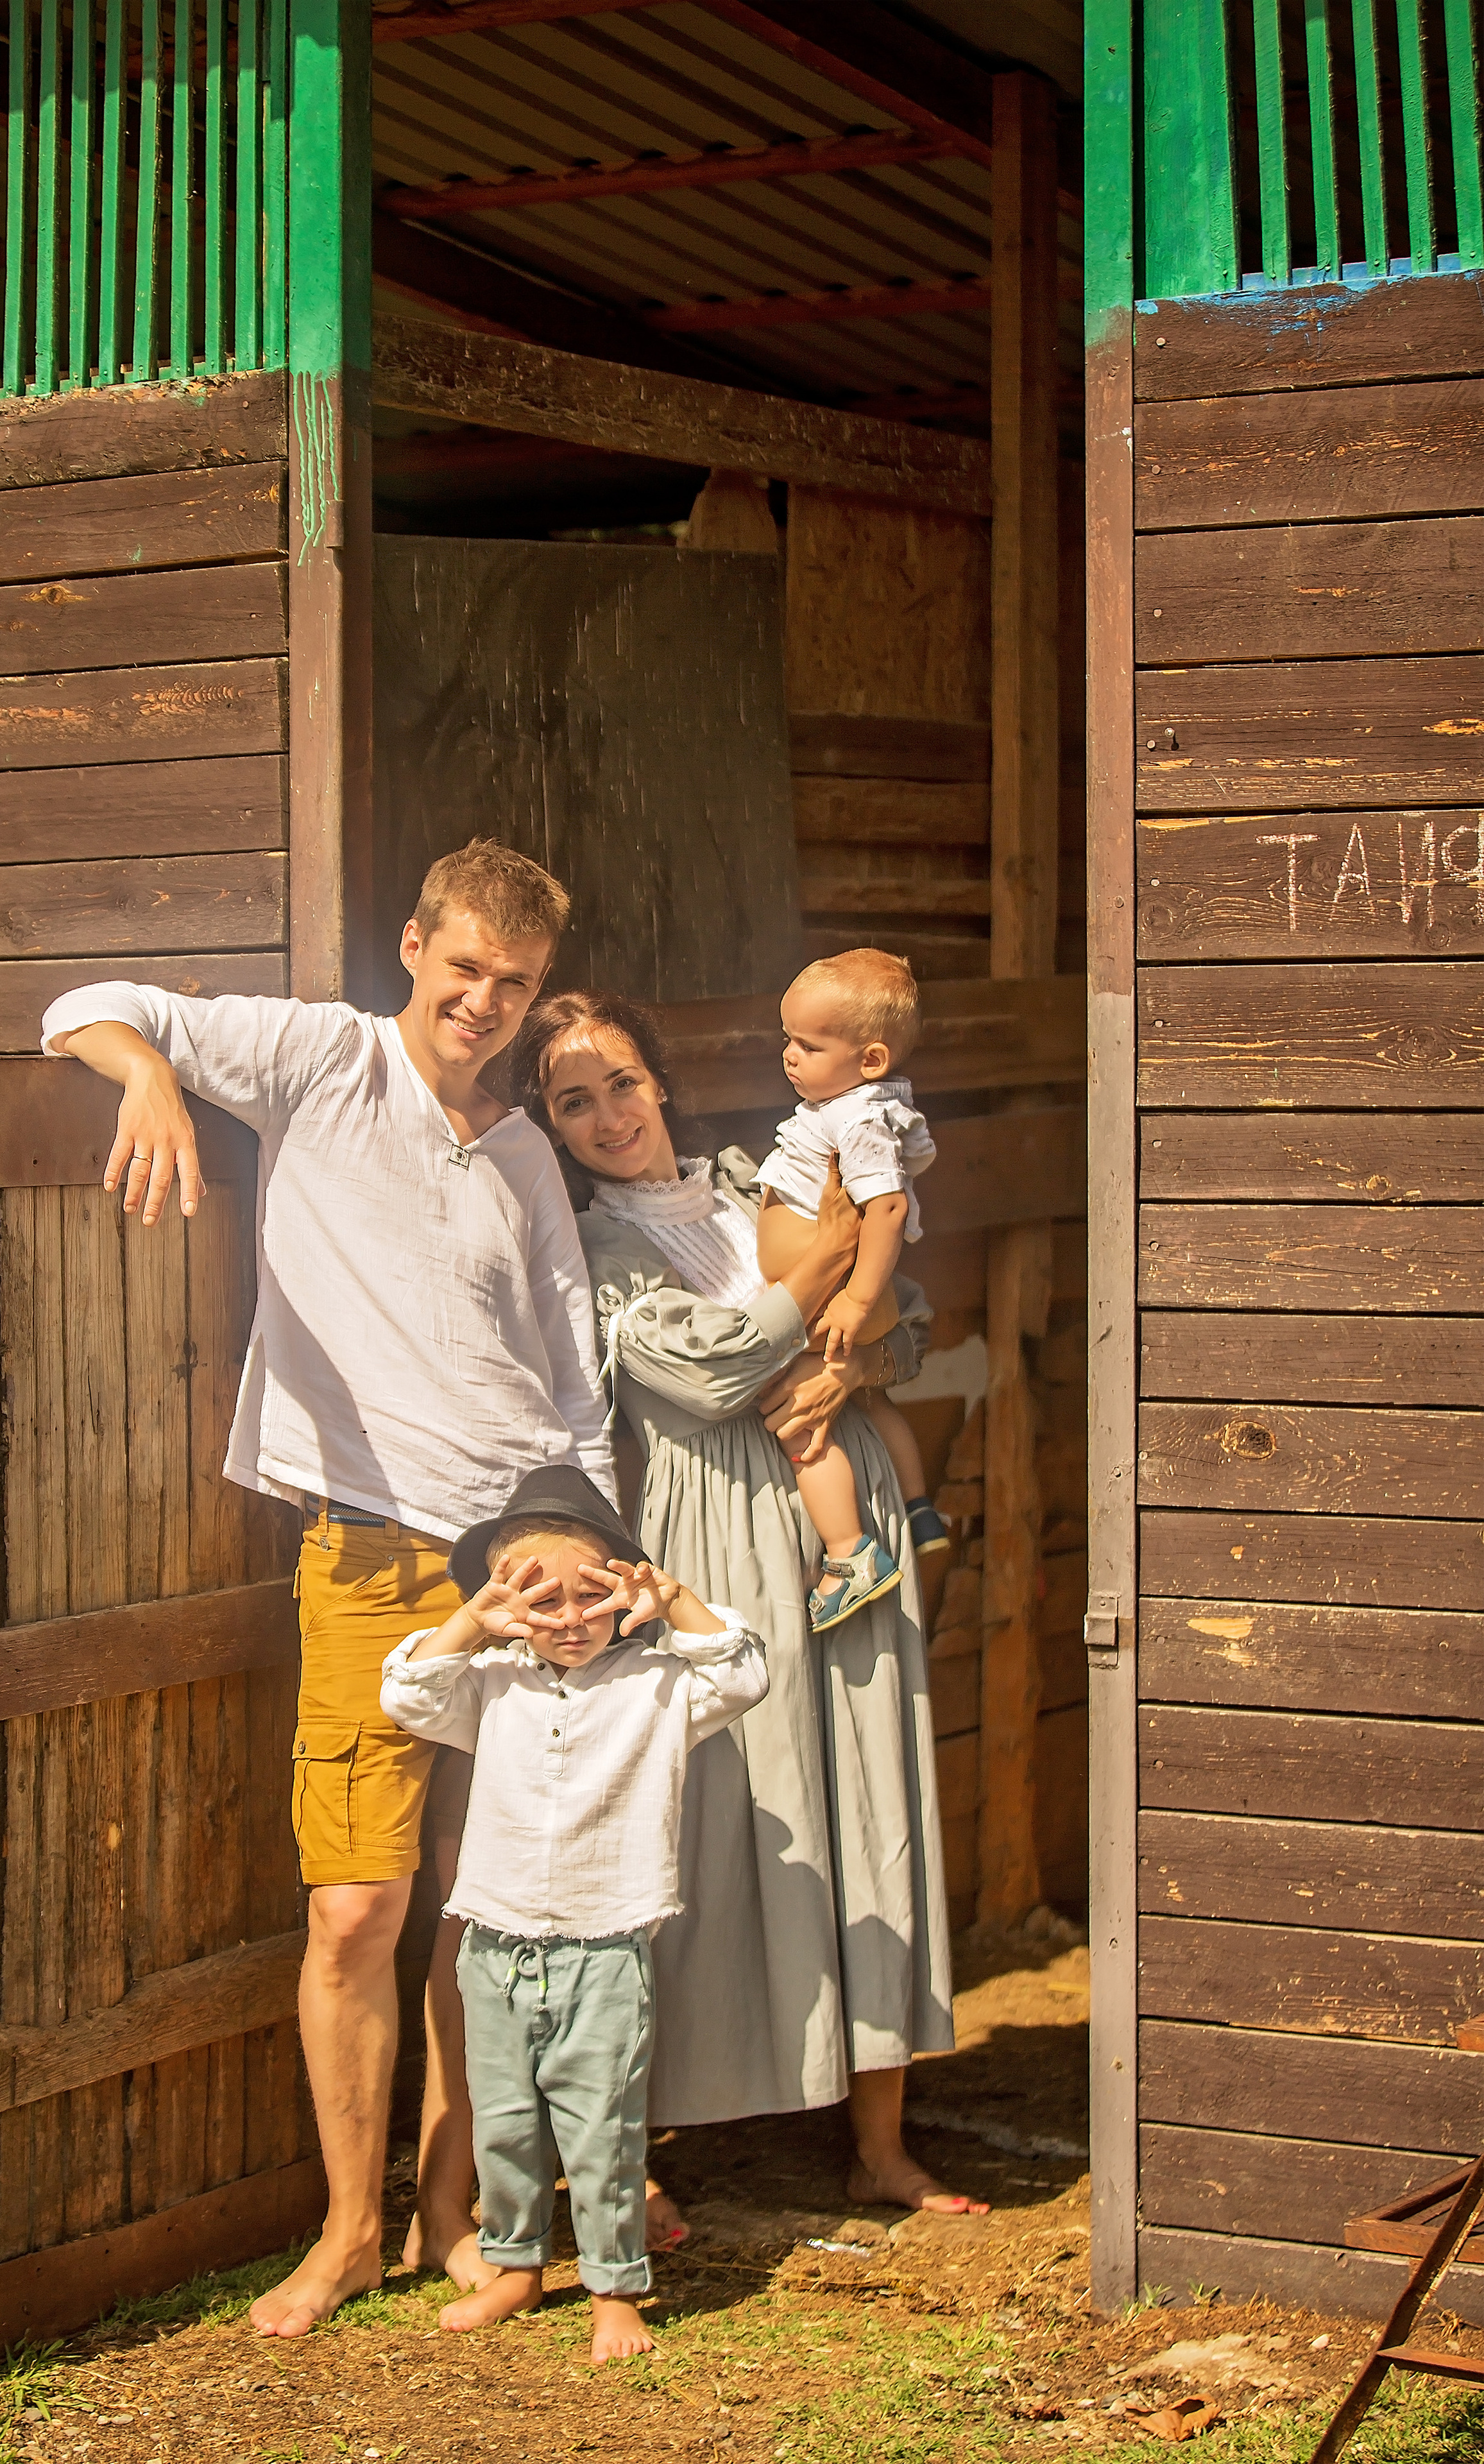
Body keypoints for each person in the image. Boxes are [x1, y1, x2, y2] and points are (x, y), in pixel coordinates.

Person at [38, 839, 617, 2338]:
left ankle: (463, 2207)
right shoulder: (318, 1057)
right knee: (358, 1905)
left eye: (517, 981)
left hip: (515, 1547)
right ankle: (348, 2227)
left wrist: (587, 1549)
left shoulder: (525, 1151)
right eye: (465, 965)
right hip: (359, 1546)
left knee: (487, 1904)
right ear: (415, 945)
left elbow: (574, 1378)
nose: (484, 1000)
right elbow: (83, 1004)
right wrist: (149, 1079)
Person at [510, 988, 987, 2218]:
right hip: (712, 1539)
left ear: (659, 1081)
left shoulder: (763, 1174)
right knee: (725, 1808)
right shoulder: (593, 1247)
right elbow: (710, 1371)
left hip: (845, 1524)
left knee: (869, 1786)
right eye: (574, 1101)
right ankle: (649, 2141)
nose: (608, 1114)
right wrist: (825, 1275)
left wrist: (856, 1360)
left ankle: (881, 2140)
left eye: (622, 1081)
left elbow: (913, 1316)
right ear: (552, 1127)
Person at [380, 1466, 768, 2361]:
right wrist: (474, 1623)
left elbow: (744, 1673)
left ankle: (613, 2287)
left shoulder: (663, 1686)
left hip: (606, 1946)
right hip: (494, 1943)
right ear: (504, 1602)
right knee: (507, 2119)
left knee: (603, 2125)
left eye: (589, 1596)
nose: (567, 1619)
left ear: (626, 1587)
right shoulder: (490, 1682)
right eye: (539, 1599)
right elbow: (406, 1695)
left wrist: (672, 1602)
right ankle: (517, 2265)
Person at [754, 948, 950, 1632]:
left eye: (808, 1044)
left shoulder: (857, 1120)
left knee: (801, 1420)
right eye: (787, 1038)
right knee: (867, 1398)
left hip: (836, 1298)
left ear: (869, 1059)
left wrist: (857, 1300)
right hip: (831, 1295)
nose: (789, 1054)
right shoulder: (846, 1107)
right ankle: (920, 1509)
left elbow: (886, 1209)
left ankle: (849, 1553)